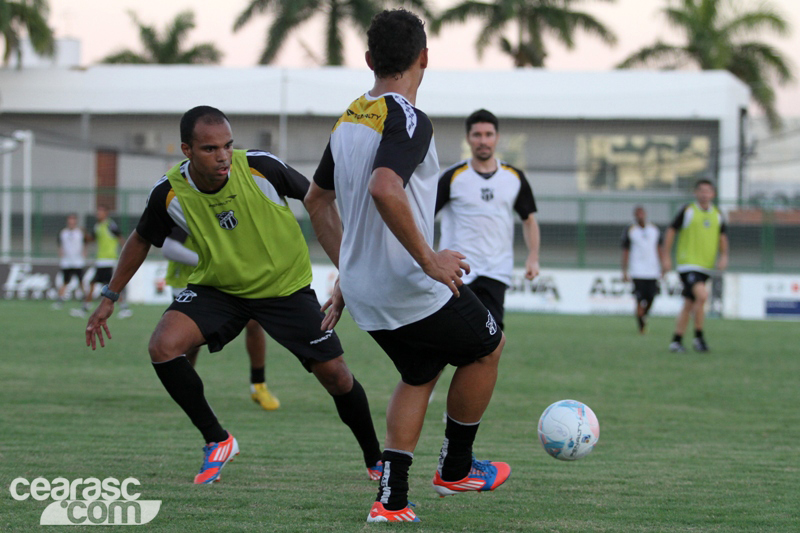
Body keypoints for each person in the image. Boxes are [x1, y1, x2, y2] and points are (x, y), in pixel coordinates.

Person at [84, 106, 382, 484]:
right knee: (163, 346)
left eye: (227, 145)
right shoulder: (169, 191)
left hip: (284, 290)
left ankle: (376, 459)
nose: (223, 155)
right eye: (210, 149)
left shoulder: (261, 167)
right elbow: (142, 238)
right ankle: (217, 440)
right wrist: (110, 296)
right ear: (187, 150)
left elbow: (319, 200)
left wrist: (347, 269)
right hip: (219, 289)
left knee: (336, 376)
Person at [305, 9, 509, 523]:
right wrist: (430, 258)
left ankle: (391, 500)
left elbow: (315, 201)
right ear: (424, 57)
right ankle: (456, 469)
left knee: (419, 372)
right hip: (408, 285)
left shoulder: (349, 119)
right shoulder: (408, 117)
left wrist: (348, 271)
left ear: (368, 59)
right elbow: (384, 186)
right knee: (488, 347)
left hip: (365, 293)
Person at [436, 108, 540, 331]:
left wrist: (533, 256)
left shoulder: (514, 177)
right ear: (468, 138)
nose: (483, 141)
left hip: (496, 271)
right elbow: (424, 218)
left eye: (488, 134)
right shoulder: (452, 177)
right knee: (452, 336)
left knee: (493, 339)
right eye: (477, 135)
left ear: (497, 138)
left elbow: (529, 220)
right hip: (458, 271)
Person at [162, 227, 280, 410]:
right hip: (189, 279)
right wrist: (211, 261)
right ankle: (185, 391)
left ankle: (258, 385)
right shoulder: (185, 208)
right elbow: (169, 248)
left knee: (254, 321)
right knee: (190, 342)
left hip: (227, 276)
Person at [663, 179, 729, 353]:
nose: (704, 194)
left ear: (713, 194)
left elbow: (722, 237)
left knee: (689, 303)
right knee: (702, 295)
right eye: (701, 190)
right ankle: (699, 338)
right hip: (688, 265)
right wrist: (666, 256)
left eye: (708, 191)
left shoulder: (717, 214)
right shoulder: (688, 211)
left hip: (706, 266)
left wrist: (724, 256)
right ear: (696, 193)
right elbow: (671, 230)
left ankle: (676, 341)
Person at [72, 205, 132, 318]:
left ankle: (124, 308)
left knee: (113, 287)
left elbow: (120, 237)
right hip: (101, 261)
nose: (98, 214)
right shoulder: (97, 226)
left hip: (109, 261)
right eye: (97, 212)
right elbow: (92, 239)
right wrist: (84, 234)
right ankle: (85, 308)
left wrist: (127, 252)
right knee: (94, 284)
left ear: (106, 213)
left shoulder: (110, 225)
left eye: (100, 212)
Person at [621, 206, 666, 333]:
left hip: (652, 271)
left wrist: (663, 265)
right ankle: (641, 325)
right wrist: (624, 271)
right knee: (639, 299)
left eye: (641, 213)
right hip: (637, 271)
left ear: (645, 214)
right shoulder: (630, 230)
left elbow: (659, 248)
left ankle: (643, 316)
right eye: (637, 213)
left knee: (651, 298)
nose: (640, 216)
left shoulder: (654, 229)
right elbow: (625, 251)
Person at [53, 213, 87, 309]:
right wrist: (60, 253)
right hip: (66, 262)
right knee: (65, 281)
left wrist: (84, 253)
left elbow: (85, 243)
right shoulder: (63, 233)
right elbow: (60, 244)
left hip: (78, 262)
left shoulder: (80, 232)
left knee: (81, 282)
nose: (71, 223)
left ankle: (85, 300)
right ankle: (60, 300)